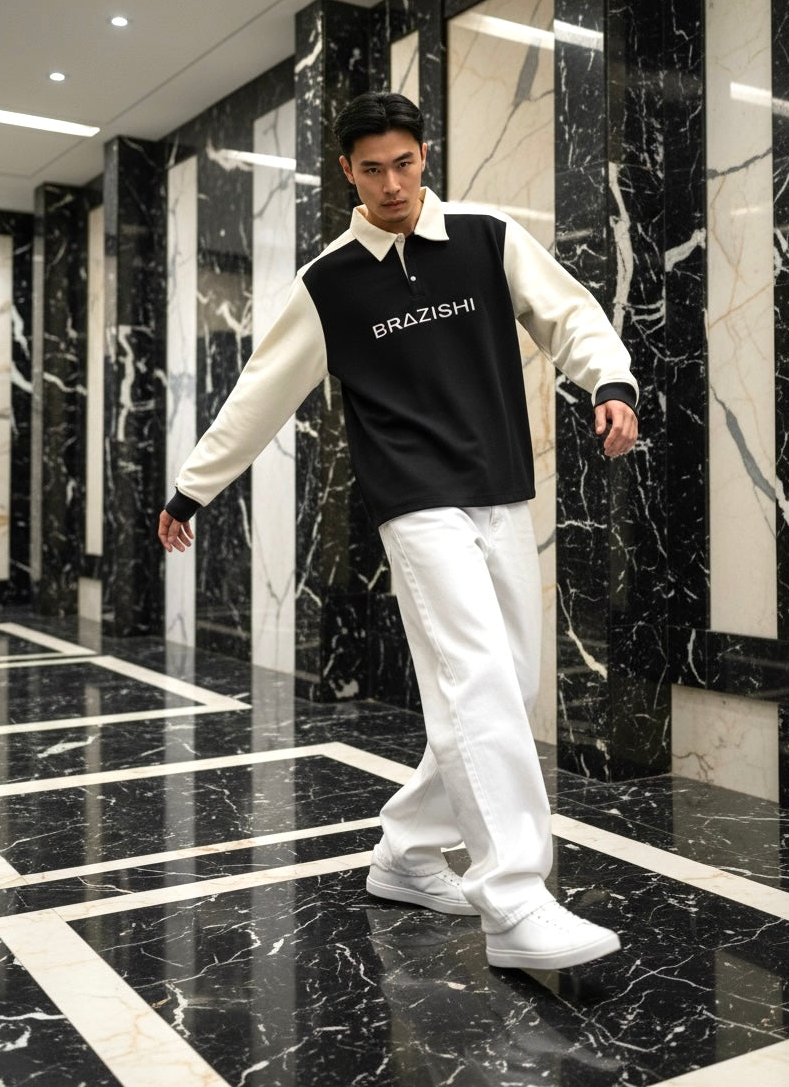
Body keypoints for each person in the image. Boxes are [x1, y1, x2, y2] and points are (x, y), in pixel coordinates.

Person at [158, 91, 638, 973]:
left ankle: (407, 853)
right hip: (414, 503)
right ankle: (516, 901)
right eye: (371, 169)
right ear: (346, 171)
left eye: (405, 164)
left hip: (499, 488)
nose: (391, 184)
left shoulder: (488, 238)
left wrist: (611, 381)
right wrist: (192, 491)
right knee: (475, 682)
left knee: (498, 687)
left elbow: (570, 315)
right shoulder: (329, 282)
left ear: (426, 155)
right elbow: (260, 394)